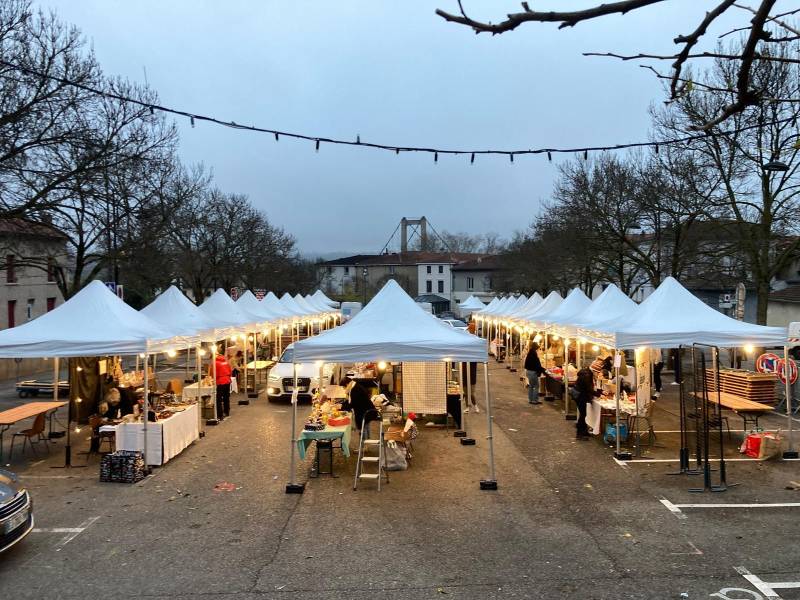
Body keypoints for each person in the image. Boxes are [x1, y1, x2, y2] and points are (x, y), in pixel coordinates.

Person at [574, 367, 597, 440]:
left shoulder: (584, 374)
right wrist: (599, 394)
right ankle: (579, 434)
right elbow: (588, 389)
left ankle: (584, 431)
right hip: (580, 396)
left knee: (583, 414)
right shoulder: (587, 376)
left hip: (578, 395)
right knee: (583, 415)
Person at [212, 352, 232, 421]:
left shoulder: (215, 363)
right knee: (226, 397)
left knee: (218, 399)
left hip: (220, 381)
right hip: (227, 380)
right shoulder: (225, 362)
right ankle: (227, 411)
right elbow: (230, 371)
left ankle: (219, 415)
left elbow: (213, 373)